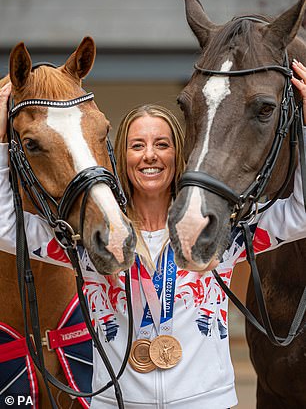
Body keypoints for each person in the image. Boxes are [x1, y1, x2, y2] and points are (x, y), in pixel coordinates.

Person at [0, 60, 306, 408]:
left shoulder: (220, 232)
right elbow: (6, 226)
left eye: (162, 144)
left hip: (205, 402)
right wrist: (0, 144)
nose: (149, 155)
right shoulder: (89, 243)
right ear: (120, 156)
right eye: (137, 145)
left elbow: (301, 212)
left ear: (178, 153)